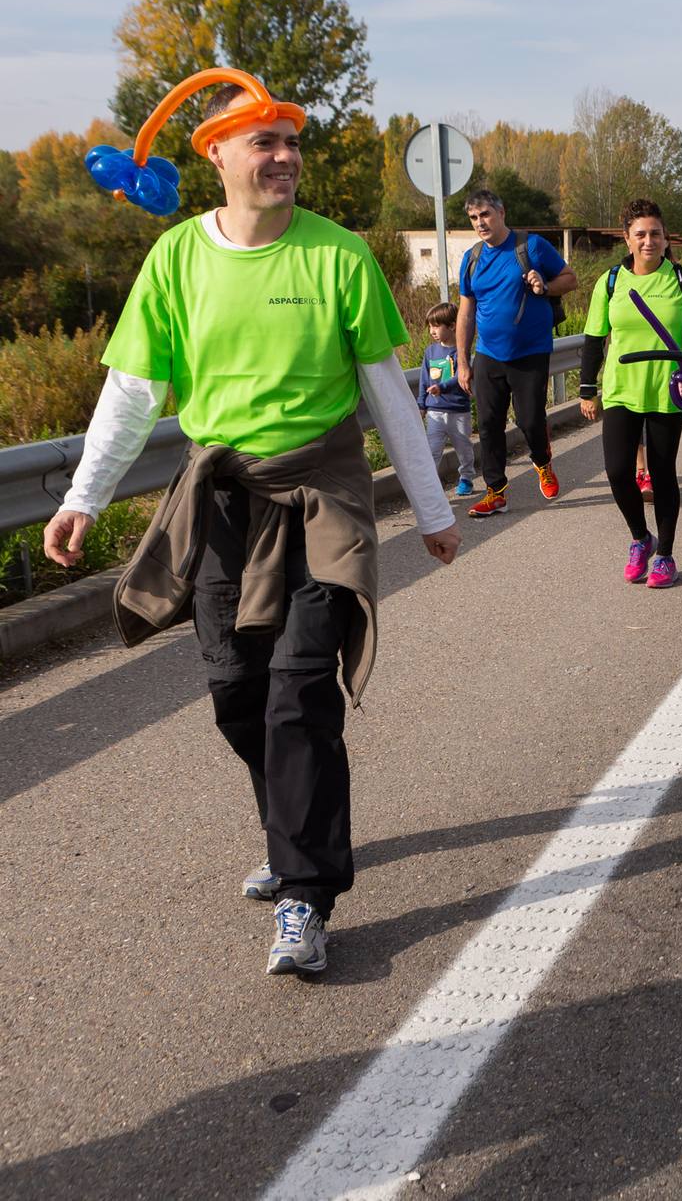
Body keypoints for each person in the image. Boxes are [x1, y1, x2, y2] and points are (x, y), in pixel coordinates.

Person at [45, 75, 460, 976]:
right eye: (261, 143)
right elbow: (130, 396)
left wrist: (430, 507)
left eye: (290, 142)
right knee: (237, 690)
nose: (283, 158)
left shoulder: (339, 255)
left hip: (322, 495)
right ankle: (291, 826)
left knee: (299, 689)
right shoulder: (177, 260)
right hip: (221, 499)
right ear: (217, 158)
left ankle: (306, 893)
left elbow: (389, 392)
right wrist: (81, 498)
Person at [578, 198, 682, 589]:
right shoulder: (610, 282)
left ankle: (665, 555)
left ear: (665, 239)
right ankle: (641, 538)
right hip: (621, 391)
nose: (649, 241)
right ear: (627, 239)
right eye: (640, 234)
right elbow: (594, 339)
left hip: (667, 391)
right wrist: (587, 388)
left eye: (655, 234)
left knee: (662, 475)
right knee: (617, 471)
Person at [455, 189, 576, 518]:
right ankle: (495, 492)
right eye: (474, 218)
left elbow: (570, 278)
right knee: (490, 424)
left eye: (485, 215)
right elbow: (466, 313)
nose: (481, 223)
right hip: (489, 354)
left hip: (530, 352)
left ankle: (542, 461)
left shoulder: (531, 246)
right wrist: (463, 362)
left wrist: (545, 286)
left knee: (529, 420)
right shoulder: (473, 258)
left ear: (501, 212)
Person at [417, 300, 476, 496]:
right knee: (432, 451)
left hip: (458, 410)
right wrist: (422, 404)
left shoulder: (460, 351)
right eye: (430, 327)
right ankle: (431, 488)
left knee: (463, 448)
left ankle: (466, 477)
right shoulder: (430, 352)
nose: (432, 331)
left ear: (452, 326)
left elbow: (460, 375)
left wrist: (441, 387)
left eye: (436, 326)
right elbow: (424, 379)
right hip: (435, 411)